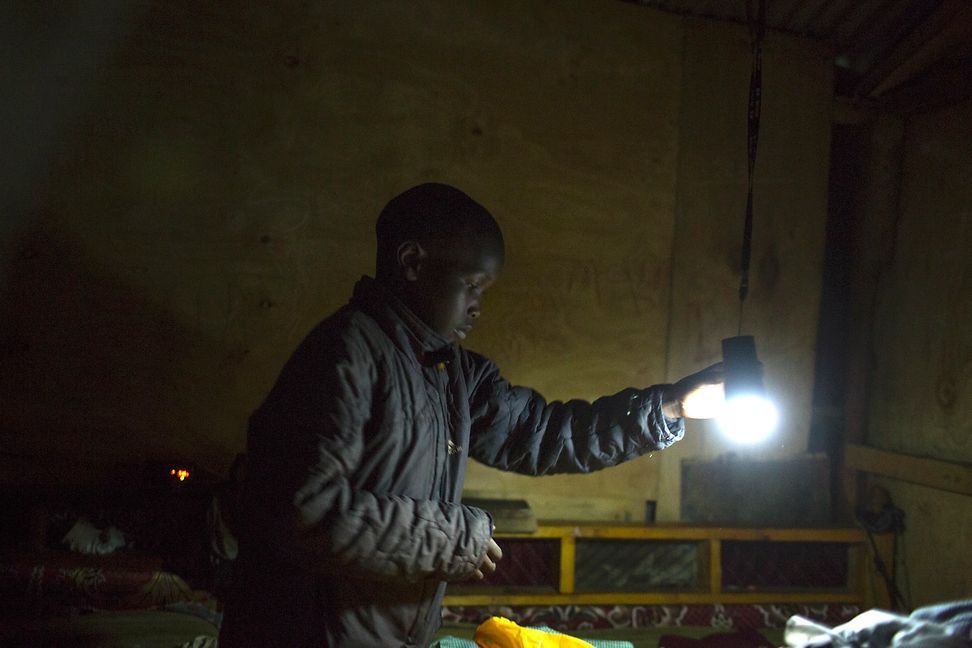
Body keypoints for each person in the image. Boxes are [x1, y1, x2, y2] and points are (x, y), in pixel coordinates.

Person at [218, 183, 723, 647]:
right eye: (473, 285)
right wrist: (453, 537)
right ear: (412, 262)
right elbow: (304, 511)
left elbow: (544, 433)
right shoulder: (345, 352)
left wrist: (669, 406)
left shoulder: (455, 375)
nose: (478, 306)